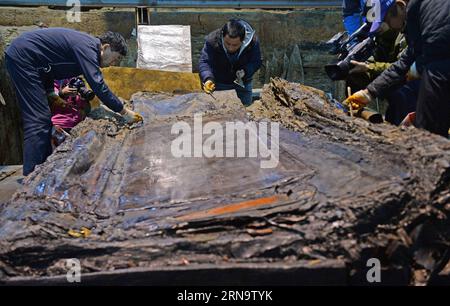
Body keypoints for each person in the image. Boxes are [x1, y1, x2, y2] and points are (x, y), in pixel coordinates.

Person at [5, 28, 143, 175]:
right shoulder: (88, 47)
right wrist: (123, 111)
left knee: (44, 119)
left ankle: (41, 168)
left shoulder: (86, 46)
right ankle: (31, 174)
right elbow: (98, 85)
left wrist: (50, 92)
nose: (113, 63)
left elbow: (49, 65)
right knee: (38, 120)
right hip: (24, 59)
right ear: (106, 47)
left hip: (35, 63)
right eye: (116, 58)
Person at [344, 0, 450, 137]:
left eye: (386, 20)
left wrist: (424, 122)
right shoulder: (416, 11)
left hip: (439, 67)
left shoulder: (419, 10)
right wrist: (368, 93)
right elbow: (407, 60)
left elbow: (436, 53)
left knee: (429, 132)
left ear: (399, 6)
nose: (387, 27)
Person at [199, 18, 262, 106]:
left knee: (244, 113)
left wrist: (246, 71)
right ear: (222, 36)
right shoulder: (212, 40)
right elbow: (205, 62)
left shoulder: (253, 42)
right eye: (227, 43)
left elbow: (256, 62)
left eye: (235, 45)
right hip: (219, 84)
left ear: (243, 40)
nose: (231, 48)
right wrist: (208, 78)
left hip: (243, 85)